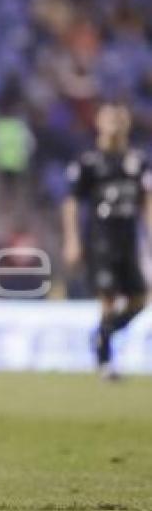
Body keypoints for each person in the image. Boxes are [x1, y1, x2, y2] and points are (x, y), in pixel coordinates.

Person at [62, 103, 151, 380]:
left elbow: (146, 201)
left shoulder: (138, 161)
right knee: (109, 300)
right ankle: (105, 362)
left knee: (140, 298)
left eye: (119, 118)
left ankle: (102, 334)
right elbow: (72, 203)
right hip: (101, 241)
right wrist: (72, 240)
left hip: (129, 241)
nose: (114, 123)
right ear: (99, 123)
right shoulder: (88, 161)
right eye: (109, 118)